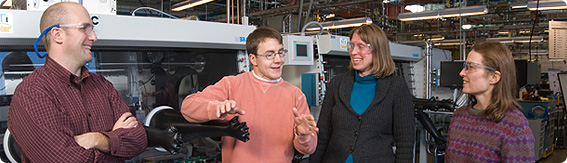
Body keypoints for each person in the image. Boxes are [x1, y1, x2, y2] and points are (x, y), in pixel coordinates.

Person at [7, 2, 147, 162]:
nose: (94, 37)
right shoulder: (32, 92)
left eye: (92, 29)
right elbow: (64, 160)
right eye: (84, 28)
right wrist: (115, 141)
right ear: (57, 34)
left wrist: (96, 139)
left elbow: (139, 139)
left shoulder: (102, 85)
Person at [181, 27, 318, 162]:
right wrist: (216, 108)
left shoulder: (295, 95)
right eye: (269, 55)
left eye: (280, 53)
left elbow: (309, 149)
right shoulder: (232, 85)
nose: (278, 60)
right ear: (253, 59)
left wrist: (303, 135)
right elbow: (188, 106)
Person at [310, 24, 415, 163]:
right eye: (352, 46)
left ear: (377, 49)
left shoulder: (396, 87)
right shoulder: (337, 84)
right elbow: (322, 135)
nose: (353, 52)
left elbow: (405, 143)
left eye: (361, 46)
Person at [445, 41, 535, 162]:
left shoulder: (514, 125)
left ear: (493, 77)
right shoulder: (459, 116)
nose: (462, 73)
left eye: (470, 67)